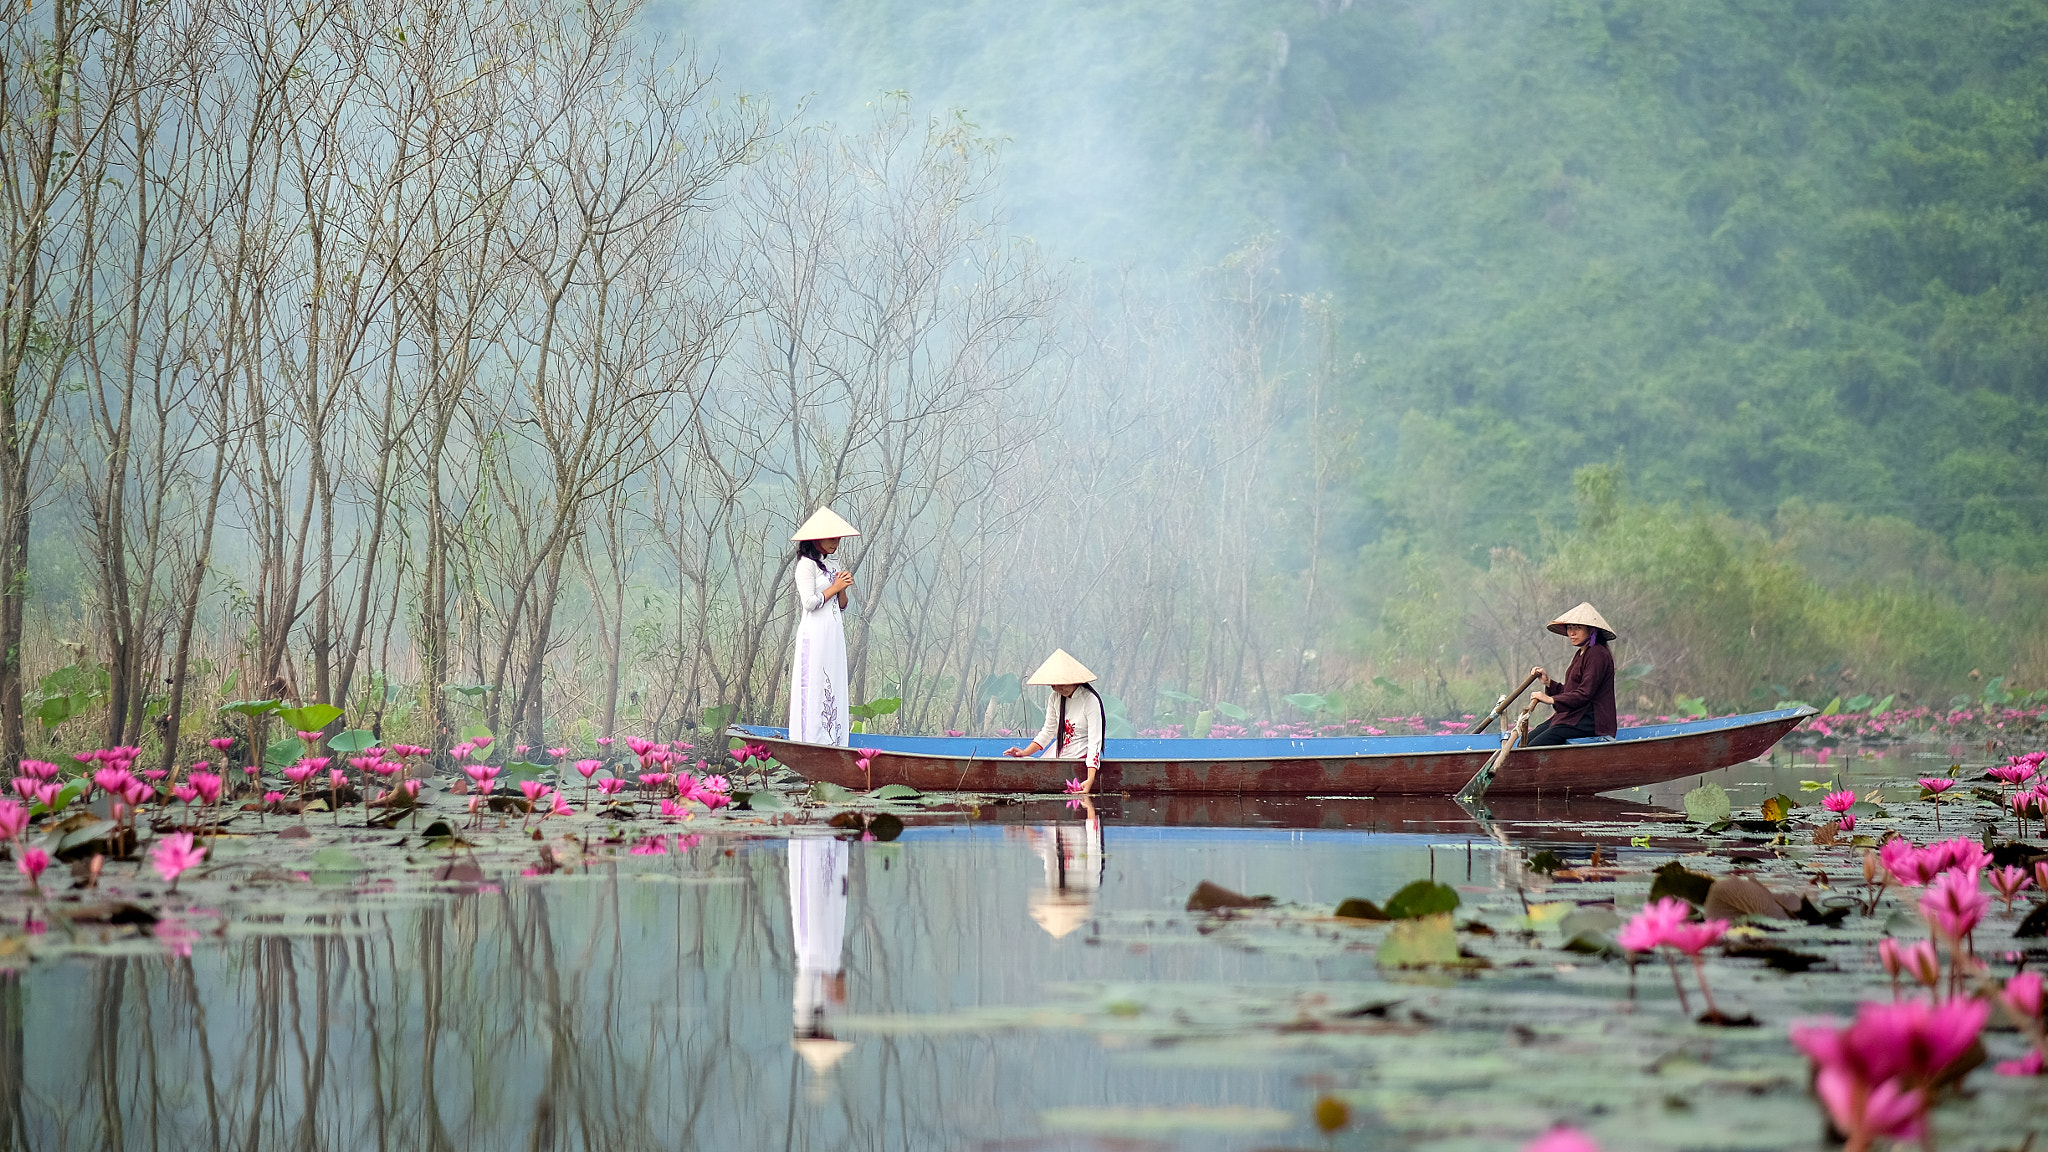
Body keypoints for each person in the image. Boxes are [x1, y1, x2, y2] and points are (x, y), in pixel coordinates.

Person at [787, 508, 857, 747]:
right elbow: (809, 602)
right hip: (815, 633)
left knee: (834, 680)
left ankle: (834, 740)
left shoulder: (833, 563)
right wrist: (834, 586)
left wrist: (843, 587)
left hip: (834, 633)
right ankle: (811, 741)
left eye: (837, 539)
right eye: (830, 538)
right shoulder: (806, 566)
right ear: (815, 538)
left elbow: (842, 605)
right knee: (816, 683)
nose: (835, 543)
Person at [1003, 649, 1107, 793]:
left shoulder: (1090, 700)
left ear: (1074, 679)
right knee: (1018, 766)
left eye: (1062, 684)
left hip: (1079, 757)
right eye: (1053, 685)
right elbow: (1048, 731)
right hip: (1057, 754)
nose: (1058, 689)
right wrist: (1025, 752)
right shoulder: (1055, 698)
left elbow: (1095, 742)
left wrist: (1090, 779)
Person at [1526, 602, 1618, 747]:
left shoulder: (1597, 654)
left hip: (1590, 720)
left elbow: (1584, 693)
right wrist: (1549, 683)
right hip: (1573, 715)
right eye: (1569, 628)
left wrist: (1551, 699)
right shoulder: (1581, 653)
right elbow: (1571, 691)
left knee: (1535, 746)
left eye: (1578, 628)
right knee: (1527, 740)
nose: (1572, 633)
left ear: (1591, 630)